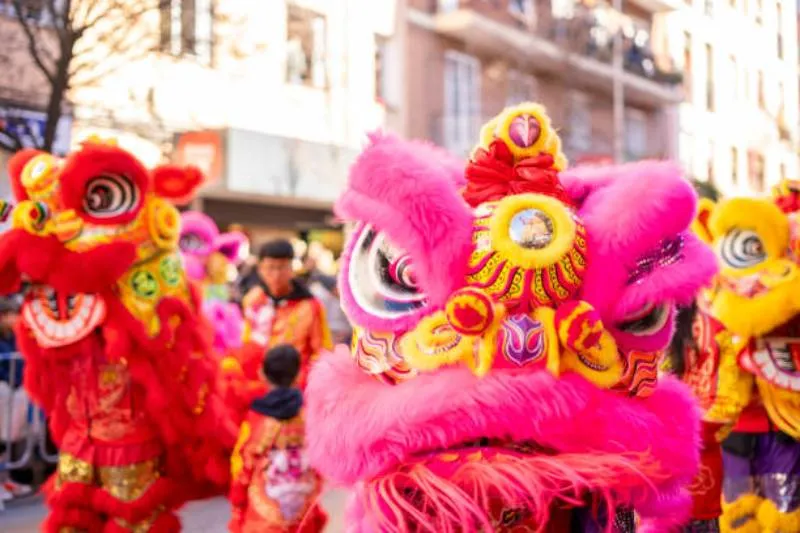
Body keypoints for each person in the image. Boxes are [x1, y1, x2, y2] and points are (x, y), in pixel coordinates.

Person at [229, 344, 327, 533]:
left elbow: (242, 466)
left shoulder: (257, 418)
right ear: (299, 375)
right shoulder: (309, 415)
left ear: (262, 374)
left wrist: (238, 506)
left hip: (265, 517)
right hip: (303, 511)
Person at [241, 239, 332, 389]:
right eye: (270, 268)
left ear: (291, 269)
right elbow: (246, 342)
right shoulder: (253, 300)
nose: (276, 275)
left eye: (282, 267)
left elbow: (322, 353)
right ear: (260, 269)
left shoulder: (311, 306)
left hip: (296, 389)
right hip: (257, 386)